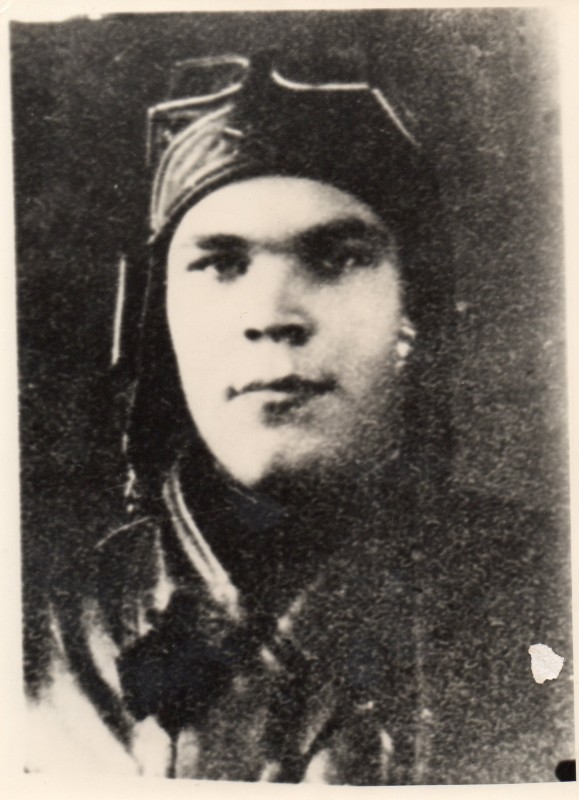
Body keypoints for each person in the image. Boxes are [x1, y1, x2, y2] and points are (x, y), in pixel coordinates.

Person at [26, 53, 573, 784]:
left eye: (338, 258)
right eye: (221, 264)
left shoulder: (549, 594)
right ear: (163, 321)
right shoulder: (40, 634)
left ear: (412, 313)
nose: (273, 315)